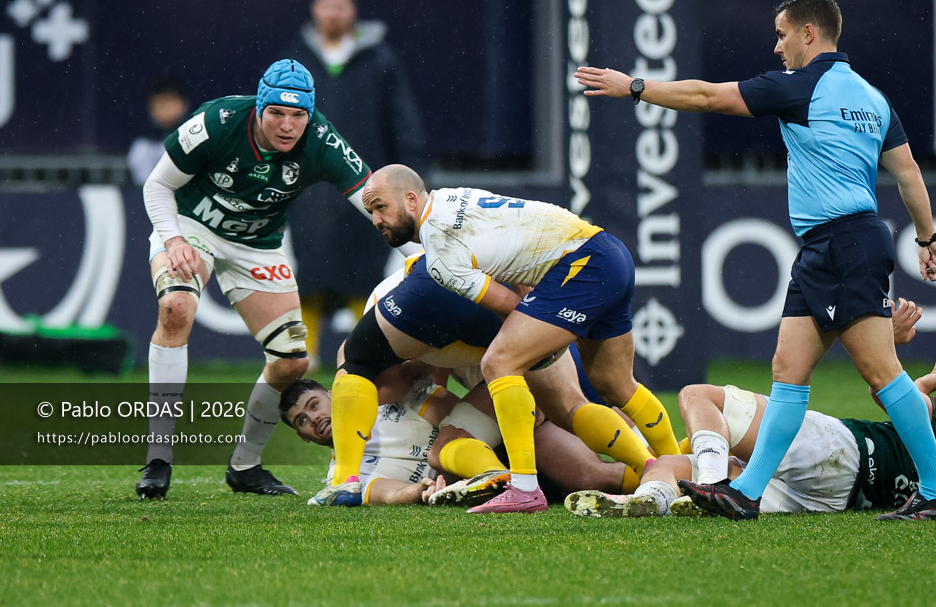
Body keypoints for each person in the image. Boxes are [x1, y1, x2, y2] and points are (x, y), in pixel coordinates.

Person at [574, 0, 936, 521]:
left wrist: (635, 86)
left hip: (841, 244)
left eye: (782, 34)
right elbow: (908, 174)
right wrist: (927, 239)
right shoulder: (871, 97)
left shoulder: (802, 86)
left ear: (809, 33)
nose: (777, 47)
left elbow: (705, 97)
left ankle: (932, 488)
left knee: (882, 373)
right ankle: (746, 493)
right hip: (836, 244)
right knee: (787, 370)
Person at [337, 164, 681, 514]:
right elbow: (514, 254)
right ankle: (681, 470)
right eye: (371, 212)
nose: (376, 220)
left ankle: (525, 488)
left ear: (411, 199)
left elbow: (507, 305)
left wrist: (542, 341)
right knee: (615, 383)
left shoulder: (440, 254)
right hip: (609, 251)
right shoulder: (457, 196)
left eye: (381, 207)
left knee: (499, 362)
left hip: (579, 268)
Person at [135, 58, 383, 500]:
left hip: (257, 245)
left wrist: (421, 252)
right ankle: (158, 457)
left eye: (298, 116)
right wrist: (173, 241)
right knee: (176, 308)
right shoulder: (216, 122)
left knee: (292, 363)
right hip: (192, 227)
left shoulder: (321, 139)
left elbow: (375, 201)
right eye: (277, 114)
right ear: (259, 108)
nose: (288, 126)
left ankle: (244, 467)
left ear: (310, 114)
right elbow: (157, 186)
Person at [309, 252, 655, 507]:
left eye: (312, 407)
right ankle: (668, 466)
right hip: (533, 342)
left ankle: (512, 483)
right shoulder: (403, 362)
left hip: (527, 350)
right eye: (303, 422)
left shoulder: (386, 341)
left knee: (568, 416)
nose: (380, 399)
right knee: (585, 446)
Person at [567, 298, 933, 518]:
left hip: (844, 450)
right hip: (837, 499)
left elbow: (901, 396)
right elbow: (906, 403)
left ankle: (711, 482)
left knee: (699, 396)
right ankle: (651, 500)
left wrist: (889, 345)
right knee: (669, 467)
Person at [279, 0, 426, 365]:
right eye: (326, 6)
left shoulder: (381, 59)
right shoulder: (295, 61)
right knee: (308, 269)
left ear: (353, 12)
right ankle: (302, 355)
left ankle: (363, 353)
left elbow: (402, 121)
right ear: (315, 11)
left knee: (365, 269)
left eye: (340, 6)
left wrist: (411, 173)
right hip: (308, 184)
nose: (332, 14)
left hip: (367, 179)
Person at [281, 366, 630, 507]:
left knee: (442, 447)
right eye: (302, 420)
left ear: (334, 394)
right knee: (594, 477)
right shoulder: (342, 479)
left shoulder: (388, 403)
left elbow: (454, 410)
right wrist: (416, 492)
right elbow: (388, 494)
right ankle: (674, 470)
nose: (314, 418)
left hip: (505, 437)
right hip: (474, 474)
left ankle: (500, 475)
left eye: (314, 405)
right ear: (304, 438)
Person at [127, 76, 190, 185]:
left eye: (168, 101)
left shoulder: (196, 135)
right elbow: (142, 185)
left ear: (182, 104)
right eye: (158, 103)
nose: (163, 107)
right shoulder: (143, 145)